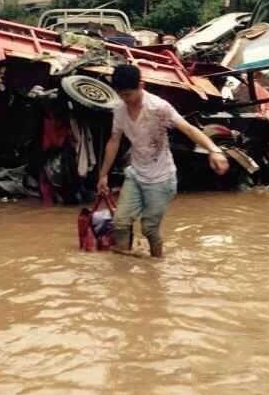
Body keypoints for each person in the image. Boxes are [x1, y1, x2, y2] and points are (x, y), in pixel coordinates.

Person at [97, 65, 230, 258]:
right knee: (120, 223)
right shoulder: (119, 109)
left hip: (161, 179)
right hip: (135, 173)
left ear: (141, 85)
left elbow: (188, 129)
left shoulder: (159, 107)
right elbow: (114, 141)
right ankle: (122, 267)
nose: (125, 99)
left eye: (128, 94)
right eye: (121, 95)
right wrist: (103, 175)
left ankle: (156, 265)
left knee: (149, 229)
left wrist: (214, 150)